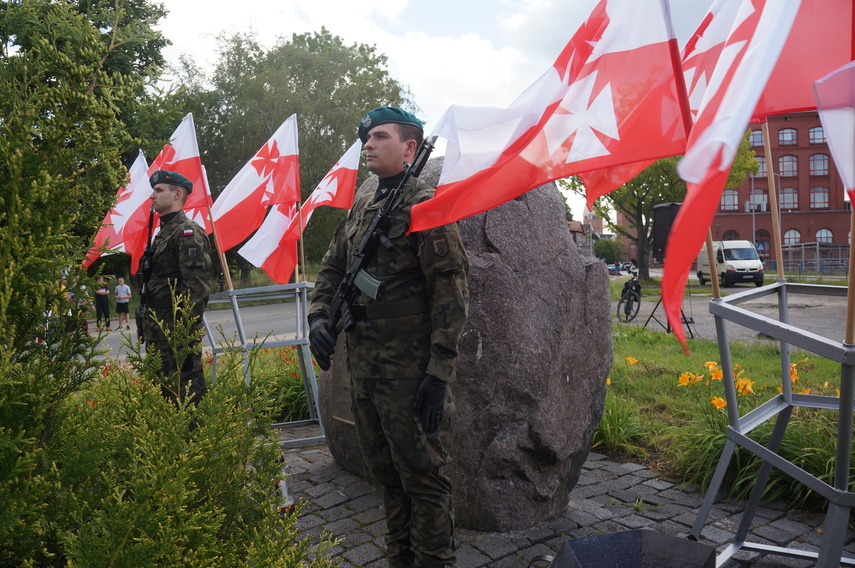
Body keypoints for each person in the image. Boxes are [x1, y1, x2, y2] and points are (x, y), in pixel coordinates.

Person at [308, 106, 469, 568]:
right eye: (366, 138)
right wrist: (318, 318)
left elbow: (451, 294)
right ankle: (401, 557)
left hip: (409, 373)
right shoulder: (365, 205)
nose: (369, 144)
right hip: (365, 366)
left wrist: (438, 374)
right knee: (386, 475)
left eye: (380, 136)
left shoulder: (425, 205)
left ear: (410, 147)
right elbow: (333, 266)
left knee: (424, 478)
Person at [142, 170, 211, 408]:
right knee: (165, 399)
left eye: (159, 190)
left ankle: (194, 433)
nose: (152, 196)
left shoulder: (187, 233)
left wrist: (184, 335)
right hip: (159, 332)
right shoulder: (164, 234)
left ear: (177, 194)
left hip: (175, 334)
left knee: (187, 396)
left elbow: (196, 289)